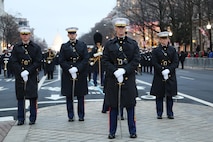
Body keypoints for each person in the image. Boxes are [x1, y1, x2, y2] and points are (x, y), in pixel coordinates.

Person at [102, 17, 140, 139]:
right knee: (113, 107)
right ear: (115, 28)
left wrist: (124, 70)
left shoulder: (133, 44)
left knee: (130, 106)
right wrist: (115, 71)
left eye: (122, 27)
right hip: (113, 79)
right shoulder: (109, 44)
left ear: (126, 28)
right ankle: (112, 131)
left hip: (128, 78)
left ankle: (132, 130)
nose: (120, 30)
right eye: (118, 27)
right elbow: (105, 60)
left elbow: (136, 60)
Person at [10, 26, 42, 125]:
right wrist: (21, 71)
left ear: (30, 35)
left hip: (31, 75)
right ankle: (21, 118)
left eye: (26, 34)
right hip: (20, 75)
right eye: (23, 35)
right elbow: (13, 61)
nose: (25, 37)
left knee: (32, 97)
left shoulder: (36, 47)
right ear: (20, 35)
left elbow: (38, 61)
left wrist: (28, 71)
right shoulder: (16, 47)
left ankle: (32, 118)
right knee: (20, 97)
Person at [59, 27, 89, 122]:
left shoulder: (82, 45)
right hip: (68, 74)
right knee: (69, 96)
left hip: (80, 73)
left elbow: (85, 59)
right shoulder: (64, 46)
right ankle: (70, 115)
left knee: (80, 96)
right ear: (68, 35)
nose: (72, 35)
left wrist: (77, 68)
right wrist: (69, 69)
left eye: (73, 34)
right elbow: (61, 60)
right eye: (70, 34)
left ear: (76, 35)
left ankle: (81, 115)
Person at [150, 31, 179, 119]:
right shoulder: (156, 50)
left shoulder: (172, 50)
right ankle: (159, 113)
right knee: (159, 95)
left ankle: (170, 113)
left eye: (165, 38)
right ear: (159, 40)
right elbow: (154, 62)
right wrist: (162, 70)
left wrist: (168, 70)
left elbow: (175, 62)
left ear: (168, 39)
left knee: (169, 95)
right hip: (159, 75)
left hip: (170, 75)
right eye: (162, 39)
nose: (164, 41)